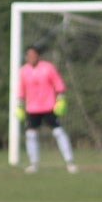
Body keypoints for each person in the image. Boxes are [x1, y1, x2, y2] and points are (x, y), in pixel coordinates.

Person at [17, 45, 77, 174]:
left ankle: (70, 162)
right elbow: (21, 90)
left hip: (49, 106)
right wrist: (19, 105)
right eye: (28, 56)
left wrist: (61, 99)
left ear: (38, 56)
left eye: (33, 55)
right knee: (30, 135)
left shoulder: (47, 67)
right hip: (32, 108)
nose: (31, 58)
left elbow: (58, 84)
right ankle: (34, 164)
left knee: (58, 132)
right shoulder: (23, 71)